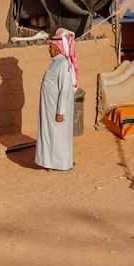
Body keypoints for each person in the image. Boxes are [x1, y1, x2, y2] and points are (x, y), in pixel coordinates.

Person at [35, 28, 78, 172]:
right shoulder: (56, 63)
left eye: (51, 47)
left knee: (58, 136)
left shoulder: (63, 64)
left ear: (58, 48)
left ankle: (61, 164)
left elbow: (65, 90)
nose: (49, 49)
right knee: (51, 136)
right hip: (49, 108)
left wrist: (61, 112)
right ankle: (52, 163)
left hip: (57, 109)